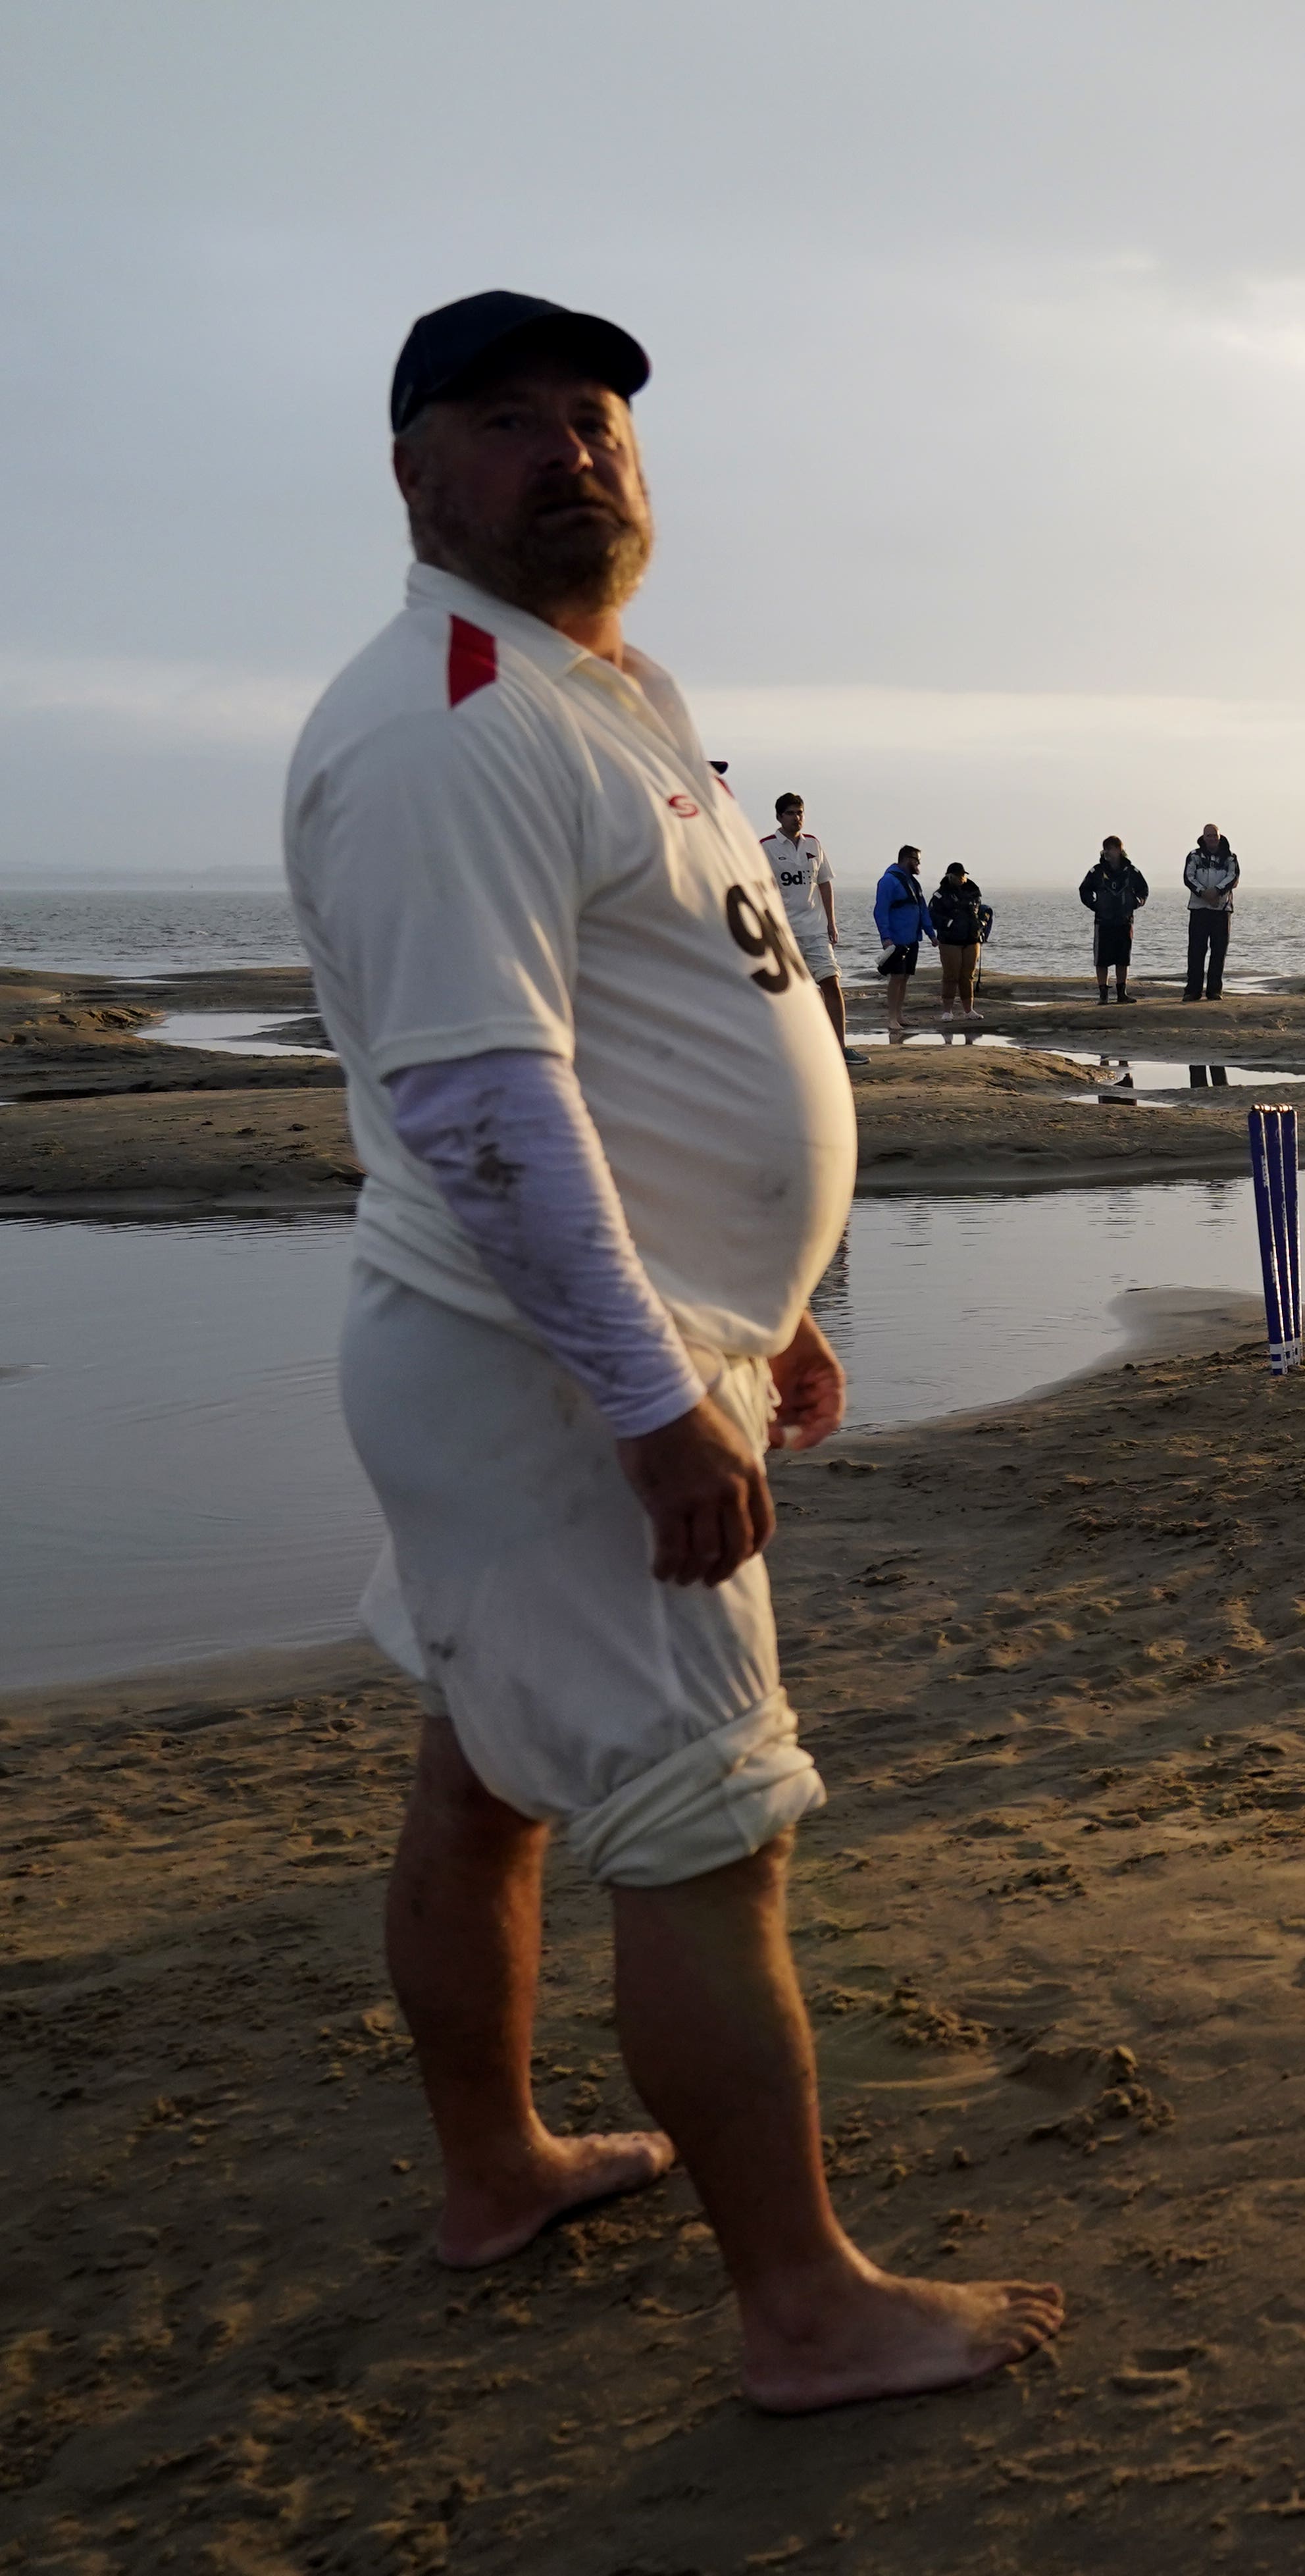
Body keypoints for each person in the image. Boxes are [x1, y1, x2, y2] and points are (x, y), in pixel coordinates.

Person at [285, 288, 1060, 2411]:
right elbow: (482, 1102)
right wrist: (650, 1403)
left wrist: (772, 1303)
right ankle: (807, 2304)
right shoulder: (450, 719)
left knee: (489, 1772)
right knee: (712, 1821)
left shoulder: (602, 691)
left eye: (602, 419)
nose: (574, 452)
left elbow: (651, 1043)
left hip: (577, 1347)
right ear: (414, 474)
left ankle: (496, 2171)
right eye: (511, 421)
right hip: (544, 1376)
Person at [757, 793, 846, 1050]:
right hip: (785, 932)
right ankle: (789, 1049)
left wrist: (832, 922)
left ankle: (839, 1047)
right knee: (788, 992)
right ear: (779, 817)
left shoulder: (813, 845)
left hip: (816, 929)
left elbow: (825, 883)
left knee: (831, 982)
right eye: (791, 813)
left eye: (800, 813)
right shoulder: (766, 847)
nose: (797, 818)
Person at [868, 843, 930, 1043]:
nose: (918, 864)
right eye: (916, 860)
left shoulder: (913, 883)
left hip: (913, 938)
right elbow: (880, 911)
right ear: (906, 859)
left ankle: (900, 1015)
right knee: (896, 977)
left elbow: (922, 909)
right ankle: (892, 1018)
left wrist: (931, 933)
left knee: (905, 978)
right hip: (896, 940)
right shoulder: (888, 881)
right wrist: (886, 937)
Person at [1077, 835, 1147, 1004]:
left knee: (1123, 959)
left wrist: (1136, 903)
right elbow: (1084, 889)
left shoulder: (1131, 872)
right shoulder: (1097, 871)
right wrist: (1095, 905)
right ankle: (1103, 994)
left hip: (1124, 921)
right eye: (1105, 848)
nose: (1108, 851)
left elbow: (1143, 890)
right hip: (1104, 921)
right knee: (1102, 960)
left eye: (1111, 848)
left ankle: (1122, 993)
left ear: (1119, 850)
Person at [1179, 824, 1239, 1002]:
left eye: (1214, 836)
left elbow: (1233, 877)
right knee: (1196, 951)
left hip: (1222, 910)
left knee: (1219, 951)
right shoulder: (1194, 856)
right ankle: (1193, 991)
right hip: (1199, 909)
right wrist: (1203, 892)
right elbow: (1188, 877)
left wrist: (1218, 891)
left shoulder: (1230, 858)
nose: (1212, 839)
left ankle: (1214, 990)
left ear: (1219, 837)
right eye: (1209, 836)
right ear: (1203, 837)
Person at [929, 860, 988, 1023]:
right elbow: (933, 916)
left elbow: (981, 911)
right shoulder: (940, 895)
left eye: (963, 875)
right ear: (950, 876)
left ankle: (969, 1010)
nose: (962, 878)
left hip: (972, 938)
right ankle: (947, 1011)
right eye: (958, 875)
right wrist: (949, 924)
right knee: (951, 975)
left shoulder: (974, 892)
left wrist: (981, 924)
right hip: (950, 940)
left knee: (968, 975)